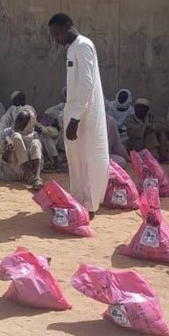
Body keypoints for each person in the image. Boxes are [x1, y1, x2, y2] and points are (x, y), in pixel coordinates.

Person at [48, 13, 110, 218]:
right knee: (75, 158)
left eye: (57, 33)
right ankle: (77, 201)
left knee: (88, 158)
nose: (56, 39)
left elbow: (86, 84)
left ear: (68, 26)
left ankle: (89, 205)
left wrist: (75, 118)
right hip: (75, 111)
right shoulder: (72, 48)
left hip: (85, 114)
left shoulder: (83, 46)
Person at [0, 90, 62, 171]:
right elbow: (4, 125)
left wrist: (40, 129)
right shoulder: (12, 112)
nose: (21, 100)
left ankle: (53, 164)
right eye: (19, 98)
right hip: (16, 158)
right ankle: (28, 171)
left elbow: (34, 123)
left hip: (30, 134)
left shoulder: (29, 109)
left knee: (43, 139)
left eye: (22, 98)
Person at [0, 108, 44, 190]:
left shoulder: (34, 134)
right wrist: (7, 152)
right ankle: (28, 174)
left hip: (31, 168)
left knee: (36, 142)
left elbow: (39, 155)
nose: (17, 123)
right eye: (17, 119)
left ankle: (37, 178)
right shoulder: (7, 133)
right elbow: (2, 159)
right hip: (13, 169)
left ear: (28, 123)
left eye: (21, 121)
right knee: (16, 136)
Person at [125, 98, 169, 162]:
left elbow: (160, 125)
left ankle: (163, 154)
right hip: (136, 143)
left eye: (142, 108)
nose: (139, 109)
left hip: (150, 141)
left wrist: (148, 127)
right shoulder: (130, 118)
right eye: (138, 107)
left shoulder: (151, 117)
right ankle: (154, 155)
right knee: (150, 134)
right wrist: (146, 128)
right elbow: (132, 131)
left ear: (147, 109)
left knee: (161, 132)